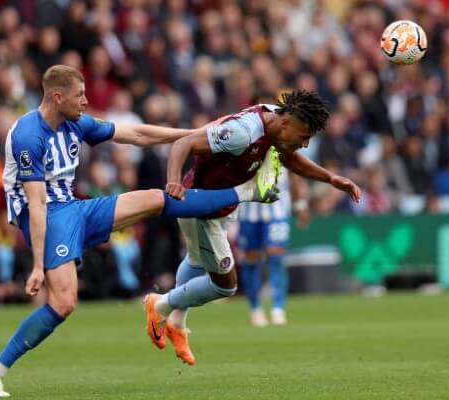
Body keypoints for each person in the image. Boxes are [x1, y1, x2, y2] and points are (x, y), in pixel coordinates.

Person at [0, 65, 279, 397]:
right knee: (63, 303)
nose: (86, 101)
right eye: (79, 95)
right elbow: (37, 205)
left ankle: (247, 194)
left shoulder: (75, 123)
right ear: (57, 97)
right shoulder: (29, 136)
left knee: (155, 199)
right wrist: (35, 266)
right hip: (46, 216)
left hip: (74, 208)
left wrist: (195, 133)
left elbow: (136, 135)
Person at [144, 90, 361, 365]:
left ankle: (176, 321)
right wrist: (173, 181)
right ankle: (160, 304)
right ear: (286, 123)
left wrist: (331, 178)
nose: (305, 144)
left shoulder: (276, 120)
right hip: (201, 205)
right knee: (225, 286)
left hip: (219, 205)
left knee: (196, 259)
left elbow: (289, 157)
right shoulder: (243, 133)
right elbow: (183, 144)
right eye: (304, 136)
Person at [237, 171, 310, 327]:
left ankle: (278, 309)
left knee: (276, 257)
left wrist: (301, 205)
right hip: (249, 211)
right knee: (251, 259)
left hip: (277, 210)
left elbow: (294, 174)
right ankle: (255, 309)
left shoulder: (282, 147)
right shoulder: (243, 146)